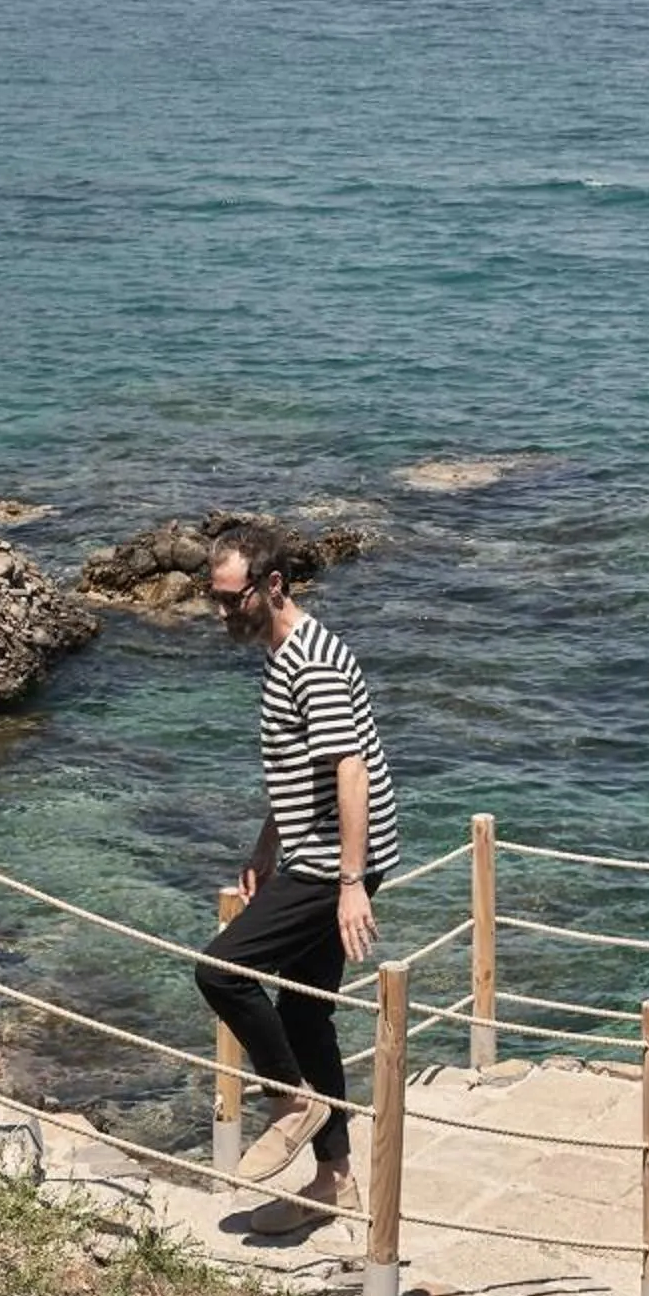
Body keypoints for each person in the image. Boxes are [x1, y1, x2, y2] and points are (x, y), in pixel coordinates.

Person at [195, 518, 399, 1232]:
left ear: (273, 584)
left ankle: (291, 1102)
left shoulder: (311, 662)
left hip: (331, 863)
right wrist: (264, 847)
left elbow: (350, 771)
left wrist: (349, 883)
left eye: (233, 599)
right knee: (305, 1014)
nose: (223, 612)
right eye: (215, 598)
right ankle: (335, 1180)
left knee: (222, 973)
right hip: (316, 854)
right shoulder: (283, 654)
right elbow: (301, 773)